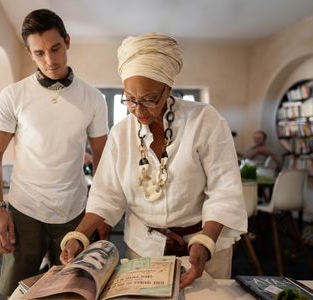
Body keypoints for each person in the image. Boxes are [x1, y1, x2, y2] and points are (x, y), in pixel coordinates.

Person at [60, 33, 247, 289]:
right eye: (130, 99)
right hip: (144, 249)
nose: (138, 109)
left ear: (168, 89)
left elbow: (224, 191)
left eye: (149, 99)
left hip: (203, 246)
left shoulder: (205, 121)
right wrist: (79, 235)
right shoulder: (121, 134)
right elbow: (106, 196)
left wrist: (205, 241)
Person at [0, 9, 108, 296]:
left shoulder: (93, 98)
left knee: (72, 291)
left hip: (75, 210)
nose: (49, 60)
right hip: (24, 209)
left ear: (67, 41)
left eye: (55, 49)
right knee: (16, 292)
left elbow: (102, 156)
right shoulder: (13, 95)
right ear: (29, 53)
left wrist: (100, 211)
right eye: (39, 53)